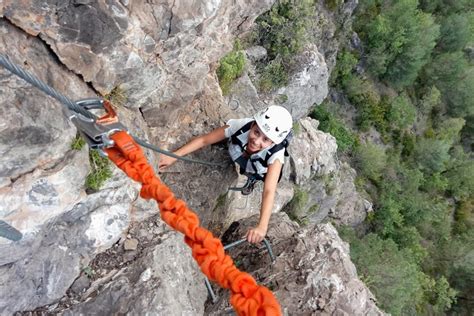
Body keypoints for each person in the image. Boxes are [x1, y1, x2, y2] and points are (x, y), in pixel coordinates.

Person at [159, 106, 293, 244]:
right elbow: (204, 140)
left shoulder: (276, 157)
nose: (257, 141)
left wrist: (262, 227)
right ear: (253, 124)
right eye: (256, 132)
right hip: (238, 151)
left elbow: (269, 191)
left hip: (256, 168)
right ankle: (231, 145)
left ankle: (251, 180)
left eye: (265, 139)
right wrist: (173, 156)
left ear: (272, 142)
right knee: (232, 141)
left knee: (255, 173)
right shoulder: (241, 125)